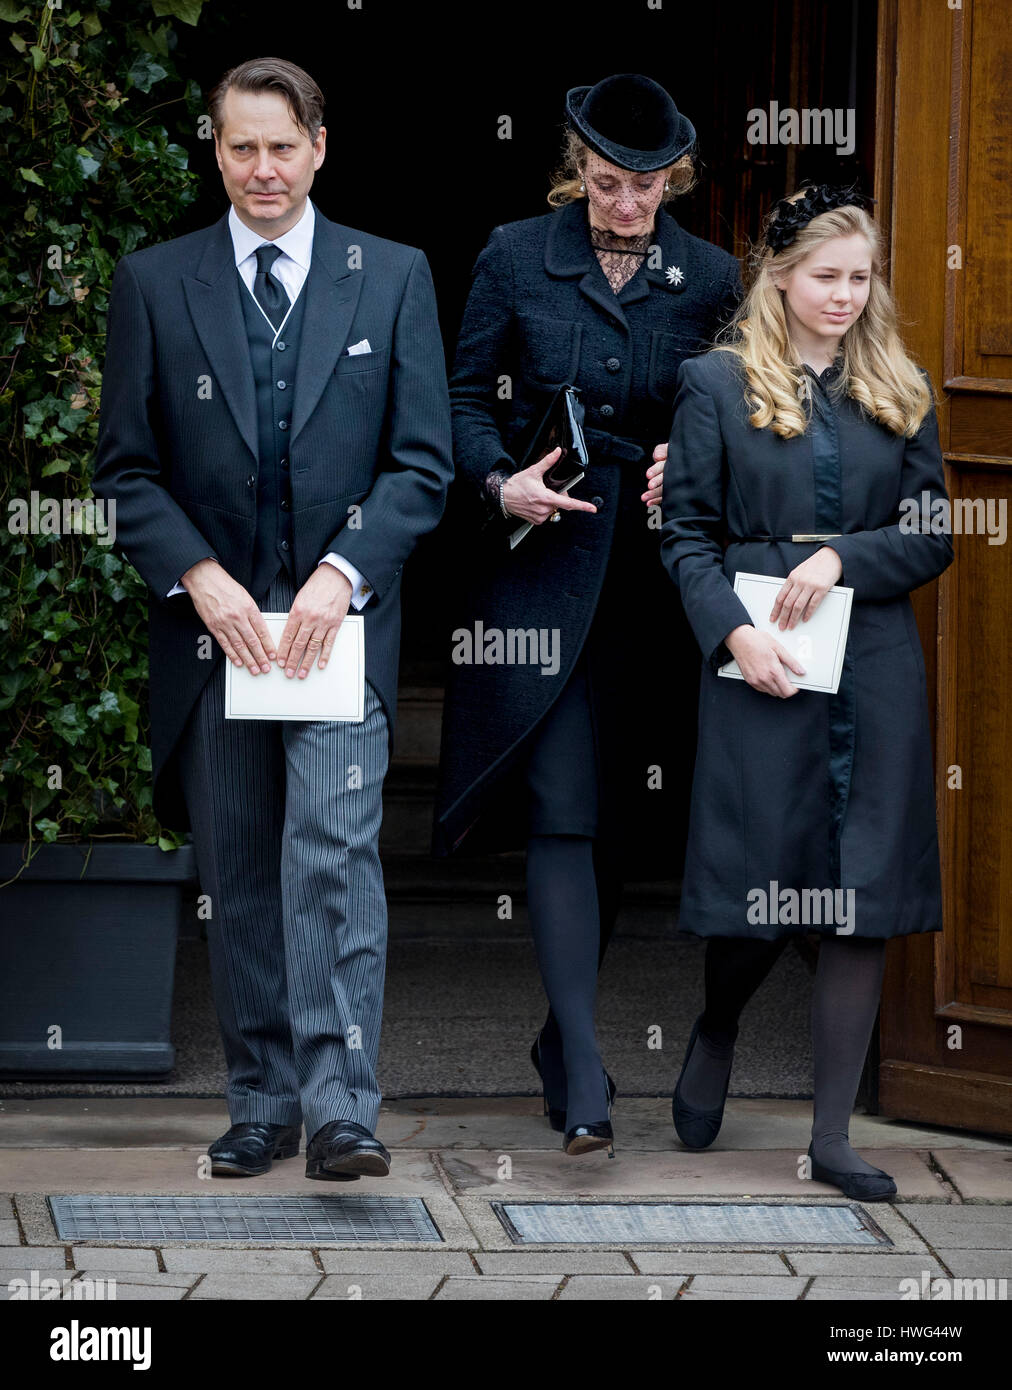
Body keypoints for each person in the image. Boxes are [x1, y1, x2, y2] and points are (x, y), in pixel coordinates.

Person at [92, 57, 452, 1181]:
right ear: (215, 149)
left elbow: (422, 464)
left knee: (332, 857)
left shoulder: (393, 276)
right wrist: (199, 576)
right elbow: (124, 470)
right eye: (241, 146)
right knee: (240, 872)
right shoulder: (155, 283)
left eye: (282, 147)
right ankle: (262, 1102)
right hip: (217, 642)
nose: (262, 168)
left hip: (339, 635)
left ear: (320, 148)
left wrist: (343, 571)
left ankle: (341, 1110)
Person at [433, 74, 741, 1155]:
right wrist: (496, 481)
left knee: (615, 817)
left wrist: (687, 460)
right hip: (538, 562)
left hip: (652, 579)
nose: (626, 204)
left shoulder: (712, 274)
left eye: (646, 186)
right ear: (577, 170)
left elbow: (738, 408)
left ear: (676, 179)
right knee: (561, 805)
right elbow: (461, 397)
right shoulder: (514, 254)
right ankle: (585, 1073)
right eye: (608, 183)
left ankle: (555, 1045)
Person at [659, 184, 954, 1199]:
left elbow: (931, 532)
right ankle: (718, 1025)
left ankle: (830, 1138)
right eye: (824, 276)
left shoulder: (901, 384)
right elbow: (685, 535)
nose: (843, 295)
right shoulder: (714, 383)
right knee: (763, 886)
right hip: (762, 659)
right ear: (778, 277)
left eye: (859, 278)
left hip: (872, 663)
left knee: (859, 891)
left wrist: (840, 557)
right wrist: (732, 633)